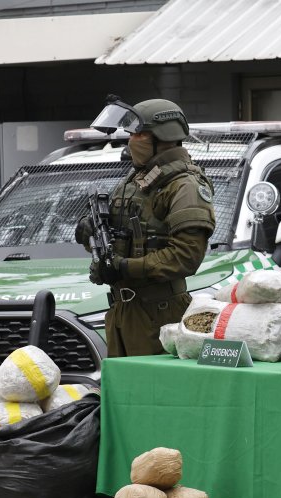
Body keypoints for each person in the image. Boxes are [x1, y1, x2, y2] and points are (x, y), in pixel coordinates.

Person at [76, 97, 215, 357]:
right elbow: (121, 237)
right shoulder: (137, 179)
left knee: (153, 383)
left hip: (160, 313)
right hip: (123, 311)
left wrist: (124, 267)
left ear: (164, 136)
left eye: (139, 134)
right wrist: (90, 233)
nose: (132, 140)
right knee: (120, 383)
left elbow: (185, 257)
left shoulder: (184, 185)